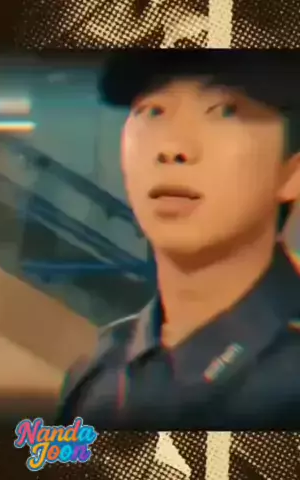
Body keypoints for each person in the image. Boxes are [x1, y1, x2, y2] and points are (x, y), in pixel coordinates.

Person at [57, 50, 300, 430]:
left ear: (292, 172)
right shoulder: (97, 378)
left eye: (225, 111)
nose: (172, 148)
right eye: (153, 111)